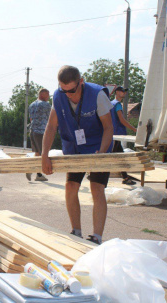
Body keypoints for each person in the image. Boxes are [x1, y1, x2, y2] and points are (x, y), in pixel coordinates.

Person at [41, 65, 114, 245]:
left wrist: (101, 154)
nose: (68, 94)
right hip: (75, 147)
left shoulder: (98, 95)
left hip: (98, 146)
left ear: (81, 82)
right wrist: (44, 155)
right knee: (70, 186)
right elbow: (51, 126)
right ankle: (76, 231)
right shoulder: (58, 96)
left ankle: (96, 237)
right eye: (63, 90)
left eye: (72, 90)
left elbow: (108, 127)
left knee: (96, 188)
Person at [110, 86, 137, 185]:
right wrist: (134, 129)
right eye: (122, 91)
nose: (124, 93)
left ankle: (125, 178)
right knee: (111, 156)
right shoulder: (117, 105)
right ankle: (97, 175)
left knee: (120, 154)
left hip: (112, 133)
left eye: (125, 92)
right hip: (116, 133)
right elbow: (121, 120)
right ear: (117, 92)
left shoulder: (111, 103)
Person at [26, 88, 51, 182]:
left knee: (37, 153)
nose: (49, 97)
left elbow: (31, 119)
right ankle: (30, 169)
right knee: (43, 154)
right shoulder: (46, 105)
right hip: (40, 132)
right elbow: (52, 118)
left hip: (32, 131)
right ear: (42, 94)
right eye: (47, 94)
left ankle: (39, 175)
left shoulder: (32, 104)